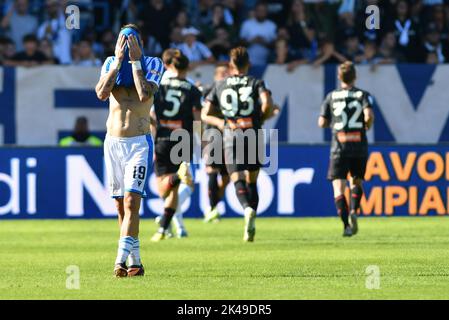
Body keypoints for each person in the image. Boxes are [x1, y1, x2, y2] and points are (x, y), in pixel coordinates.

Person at [95, 24, 164, 277]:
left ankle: (119, 260)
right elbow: (102, 93)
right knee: (120, 207)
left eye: (131, 40)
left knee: (132, 200)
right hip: (113, 142)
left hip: (138, 142)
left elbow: (145, 95)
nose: (125, 44)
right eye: (122, 39)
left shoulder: (153, 64)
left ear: (140, 42)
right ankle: (135, 261)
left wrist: (135, 63)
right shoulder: (110, 62)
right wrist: (117, 63)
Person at [202, 47, 276, 242]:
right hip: (253, 132)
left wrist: (223, 123)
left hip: (231, 136)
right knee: (252, 179)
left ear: (230, 65)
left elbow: (205, 112)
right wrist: (263, 116)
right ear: (248, 64)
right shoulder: (256, 82)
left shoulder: (220, 84)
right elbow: (267, 102)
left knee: (237, 178)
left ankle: (246, 209)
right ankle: (252, 216)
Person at [318, 61, 375, 237]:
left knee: (338, 188)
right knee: (356, 181)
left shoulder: (331, 96)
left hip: (339, 146)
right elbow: (369, 115)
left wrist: (330, 123)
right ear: (355, 76)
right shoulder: (363, 95)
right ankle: (354, 211)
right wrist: (367, 125)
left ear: (339, 77)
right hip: (358, 144)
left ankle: (346, 227)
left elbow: (321, 122)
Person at [150, 50, 201, 241]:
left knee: (164, 188)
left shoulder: (159, 87)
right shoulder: (192, 89)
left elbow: (152, 117)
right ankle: (163, 227)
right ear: (188, 67)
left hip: (163, 139)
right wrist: (203, 142)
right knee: (176, 187)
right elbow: (198, 121)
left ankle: (165, 224)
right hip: (183, 141)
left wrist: (152, 137)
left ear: (170, 65)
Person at [202, 64, 230, 223]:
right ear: (216, 76)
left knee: (227, 176)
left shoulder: (232, 91)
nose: (225, 77)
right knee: (212, 170)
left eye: (227, 73)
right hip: (211, 133)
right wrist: (219, 122)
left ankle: (213, 204)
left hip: (230, 135)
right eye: (222, 74)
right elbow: (203, 115)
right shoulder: (209, 90)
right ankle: (213, 209)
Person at [239, 1, 277, 66]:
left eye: (263, 11)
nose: (261, 13)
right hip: (248, 63)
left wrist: (264, 42)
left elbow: (275, 46)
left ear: (266, 12)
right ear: (255, 11)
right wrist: (252, 41)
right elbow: (240, 43)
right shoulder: (247, 24)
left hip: (267, 63)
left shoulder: (272, 25)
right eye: (259, 10)